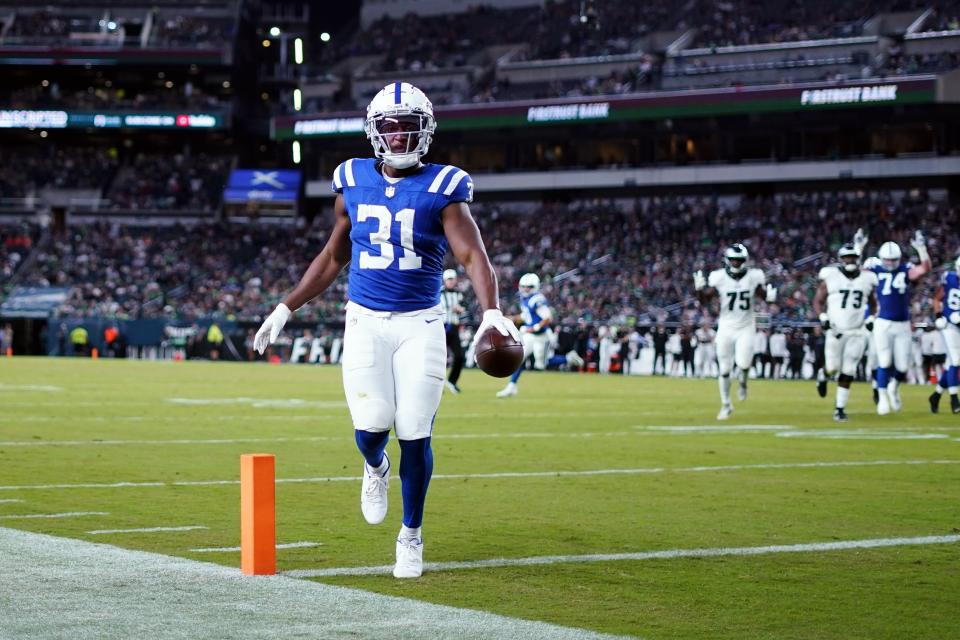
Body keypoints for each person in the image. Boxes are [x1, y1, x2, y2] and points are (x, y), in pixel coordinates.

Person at [251, 82, 519, 579]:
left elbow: (470, 253)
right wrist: (286, 308)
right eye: (389, 126)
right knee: (371, 427)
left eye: (408, 126)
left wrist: (491, 311)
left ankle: (411, 535)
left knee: (415, 431)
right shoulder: (350, 178)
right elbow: (335, 255)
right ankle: (375, 469)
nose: (398, 136)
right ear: (374, 130)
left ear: (426, 130)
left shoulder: (445, 186)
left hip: (421, 323)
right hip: (365, 321)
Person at [694, 243, 776, 420]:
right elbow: (705, 300)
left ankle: (743, 383)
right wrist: (699, 290)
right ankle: (725, 404)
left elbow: (763, 296)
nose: (736, 263)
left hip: (746, 326)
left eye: (739, 260)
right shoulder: (719, 277)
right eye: (733, 260)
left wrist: (770, 298)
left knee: (744, 364)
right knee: (724, 369)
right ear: (727, 260)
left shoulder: (754, 276)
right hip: (726, 326)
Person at [859, 228, 931, 414]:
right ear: (881, 258)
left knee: (902, 366)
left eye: (893, 260)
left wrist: (922, 249)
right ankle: (882, 396)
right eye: (887, 260)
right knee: (884, 361)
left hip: (903, 324)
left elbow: (924, 269)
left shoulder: (905, 269)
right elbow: (854, 271)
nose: (890, 263)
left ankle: (893, 388)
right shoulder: (874, 270)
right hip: (882, 323)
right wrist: (859, 247)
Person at [813, 243, 878, 421]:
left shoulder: (867, 278)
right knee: (833, 367)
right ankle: (823, 375)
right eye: (847, 257)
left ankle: (839, 408)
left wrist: (871, 318)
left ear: (858, 259)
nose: (850, 260)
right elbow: (818, 301)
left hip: (857, 331)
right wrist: (823, 317)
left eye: (853, 257)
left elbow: (874, 303)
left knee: (849, 369)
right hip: (835, 330)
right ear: (841, 259)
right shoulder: (831, 277)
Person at [497, 272, 553, 397]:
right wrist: (512, 318)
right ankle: (511, 386)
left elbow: (548, 318)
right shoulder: (525, 299)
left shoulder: (537, 300)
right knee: (518, 359)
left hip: (542, 336)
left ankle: (568, 358)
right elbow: (526, 316)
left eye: (529, 287)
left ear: (535, 287)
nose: (526, 289)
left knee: (542, 365)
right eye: (524, 286)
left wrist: (534, 328)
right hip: (530, 336)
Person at [929, 257, 960, 414]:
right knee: (955, 360)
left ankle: (936, 395)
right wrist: (939, 315)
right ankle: (954, 399)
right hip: (950, 326)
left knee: (951, 365)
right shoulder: (950, 279)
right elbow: (936, 298)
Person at [439, 269, 466, 393]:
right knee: (439, 357)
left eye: (452, 279)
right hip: (442, 327)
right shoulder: (439, 292)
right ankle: (437, 383)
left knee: (460, 356)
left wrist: (460, 309)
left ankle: (451, 381)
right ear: (445, 280)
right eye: (448, 279)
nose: (450, 281)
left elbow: (464, 308)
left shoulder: (459, 294)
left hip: (454, 327)